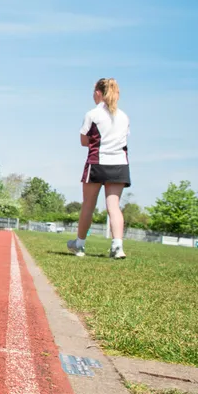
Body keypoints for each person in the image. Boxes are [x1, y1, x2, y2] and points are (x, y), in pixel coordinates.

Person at [68, 78, 131, 259]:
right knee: (114, 206)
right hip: (119, 165)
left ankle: (79, 245)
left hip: (97, 162)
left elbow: (83, 141)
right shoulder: (124, 116)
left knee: (88, 204)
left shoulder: (92, 114)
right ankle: (117, 246)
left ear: (98, 93)